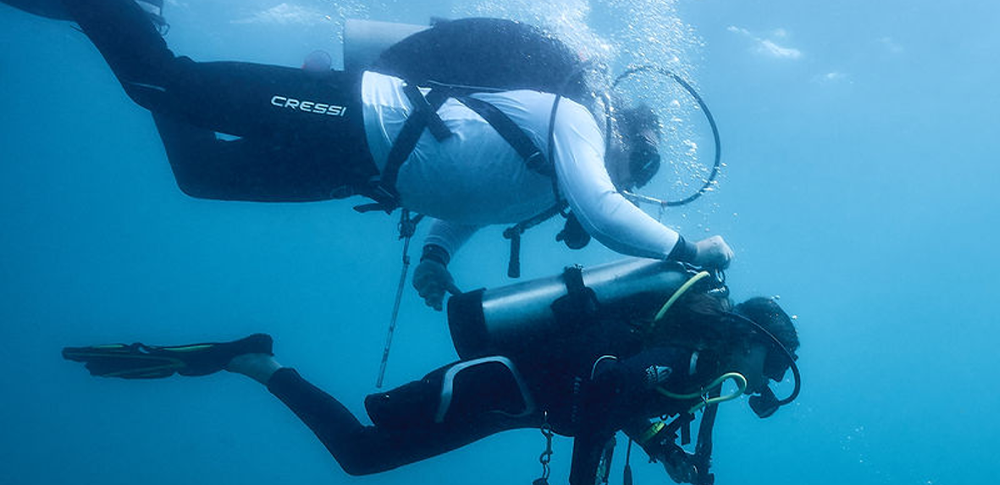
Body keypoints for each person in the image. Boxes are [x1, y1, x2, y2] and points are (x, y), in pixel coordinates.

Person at [3, 0, 734, 309]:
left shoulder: (553, 190)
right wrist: (688, 250)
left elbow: (475, 198)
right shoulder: (572, 118)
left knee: (203, 174)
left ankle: (131, 23)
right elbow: (606, 214)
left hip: (360, 167)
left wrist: (438, 257)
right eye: (634, 166)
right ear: (621, 131)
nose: (621, 181)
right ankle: (109, 12)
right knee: (164, 85)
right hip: (358, 115)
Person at [62, 260, 800, 485]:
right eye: (772, 362)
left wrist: (661, 448)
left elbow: (623, 396)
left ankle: (258, 363)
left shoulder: (693, 363)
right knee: (358, 454)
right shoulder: (686, 350)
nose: (765, 381)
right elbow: (609, 386)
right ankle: (258, 361)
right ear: (749, 338)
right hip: (492, 391)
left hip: (510, 402)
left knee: (358, 456)